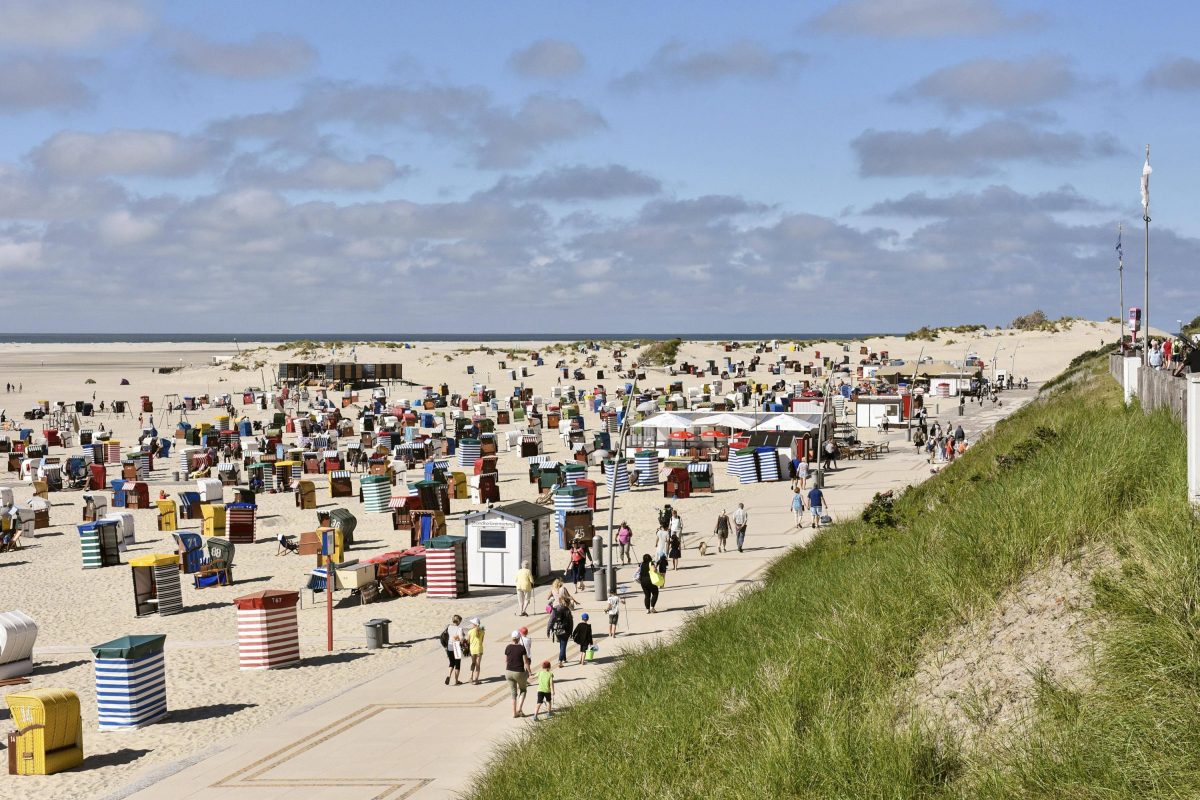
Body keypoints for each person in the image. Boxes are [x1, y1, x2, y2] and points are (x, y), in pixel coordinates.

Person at [503, 631, 531, 718]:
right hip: (519, 672)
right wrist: (529, 672)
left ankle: (514, 713)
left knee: (513, 693)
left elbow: (506, 660)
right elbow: (525, 662)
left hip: (508, 672)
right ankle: (519, 709)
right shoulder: (522, 648)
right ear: (519, 638)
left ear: (512, 638)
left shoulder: (508, 647)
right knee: (523, 690)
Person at [549, 601, 574, 667]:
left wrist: (549, 629)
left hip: (557, 630)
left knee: (562, 644)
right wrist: (571, 632)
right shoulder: (567, 610)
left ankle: (564, 658)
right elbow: (571, 622)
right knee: (563, 645)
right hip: (565, 631)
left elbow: (551, 620)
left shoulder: (556, 609)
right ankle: (560, 661)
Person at [443, 615, 465, 686]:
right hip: (456, 646)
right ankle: (456, 680)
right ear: (458, 621)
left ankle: (448, 675)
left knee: (451, 663)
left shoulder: (449, 627)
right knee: (457, 664)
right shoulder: (459, 629)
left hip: (449, 646)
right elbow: (461, 639)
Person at [467, 617, 485, 685]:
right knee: (478, 665)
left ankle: (471, 677)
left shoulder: (470, 631)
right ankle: (476, 680)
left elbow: (468, 641)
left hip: (472, 649)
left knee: (473, 663)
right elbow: (482, 641)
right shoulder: (482, 631)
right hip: (479, 649)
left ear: (474, 624)